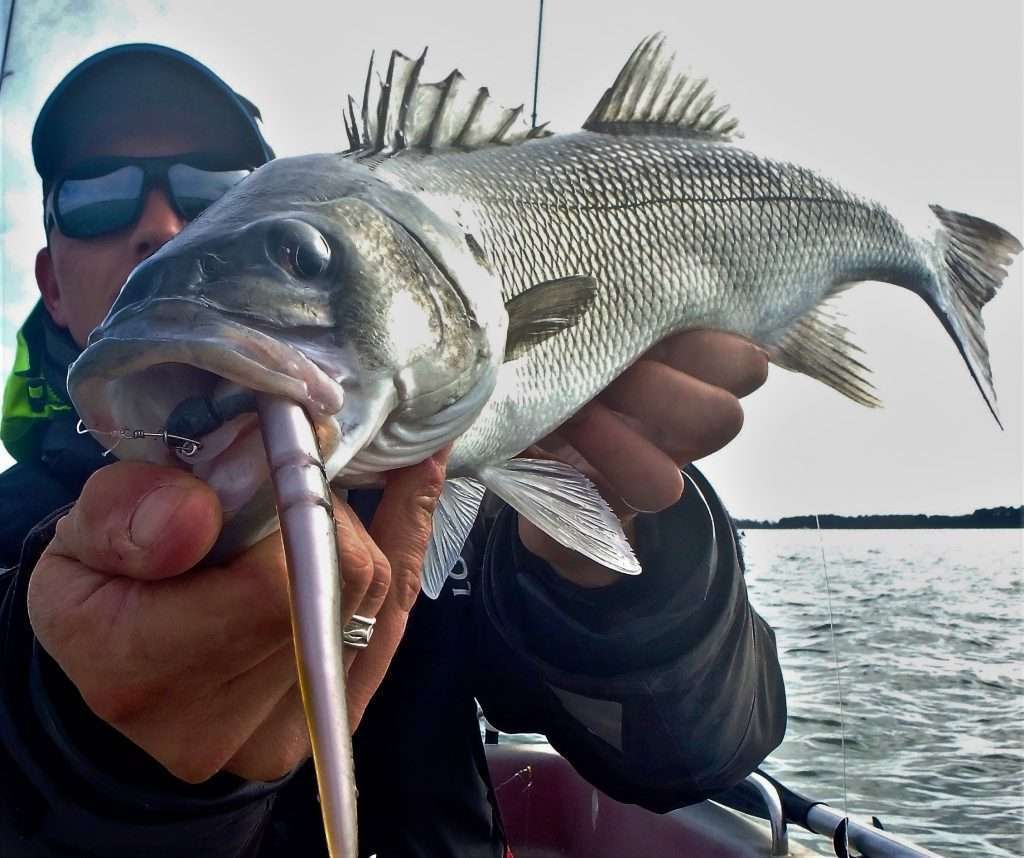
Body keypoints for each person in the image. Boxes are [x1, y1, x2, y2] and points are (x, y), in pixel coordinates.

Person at [0, 43, 786, 858]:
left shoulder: (455, 471)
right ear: (51, 283)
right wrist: (69, 744)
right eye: (96, 197)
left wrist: (622, 574)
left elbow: (690, 760)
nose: (160, 226)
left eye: (212, 191)